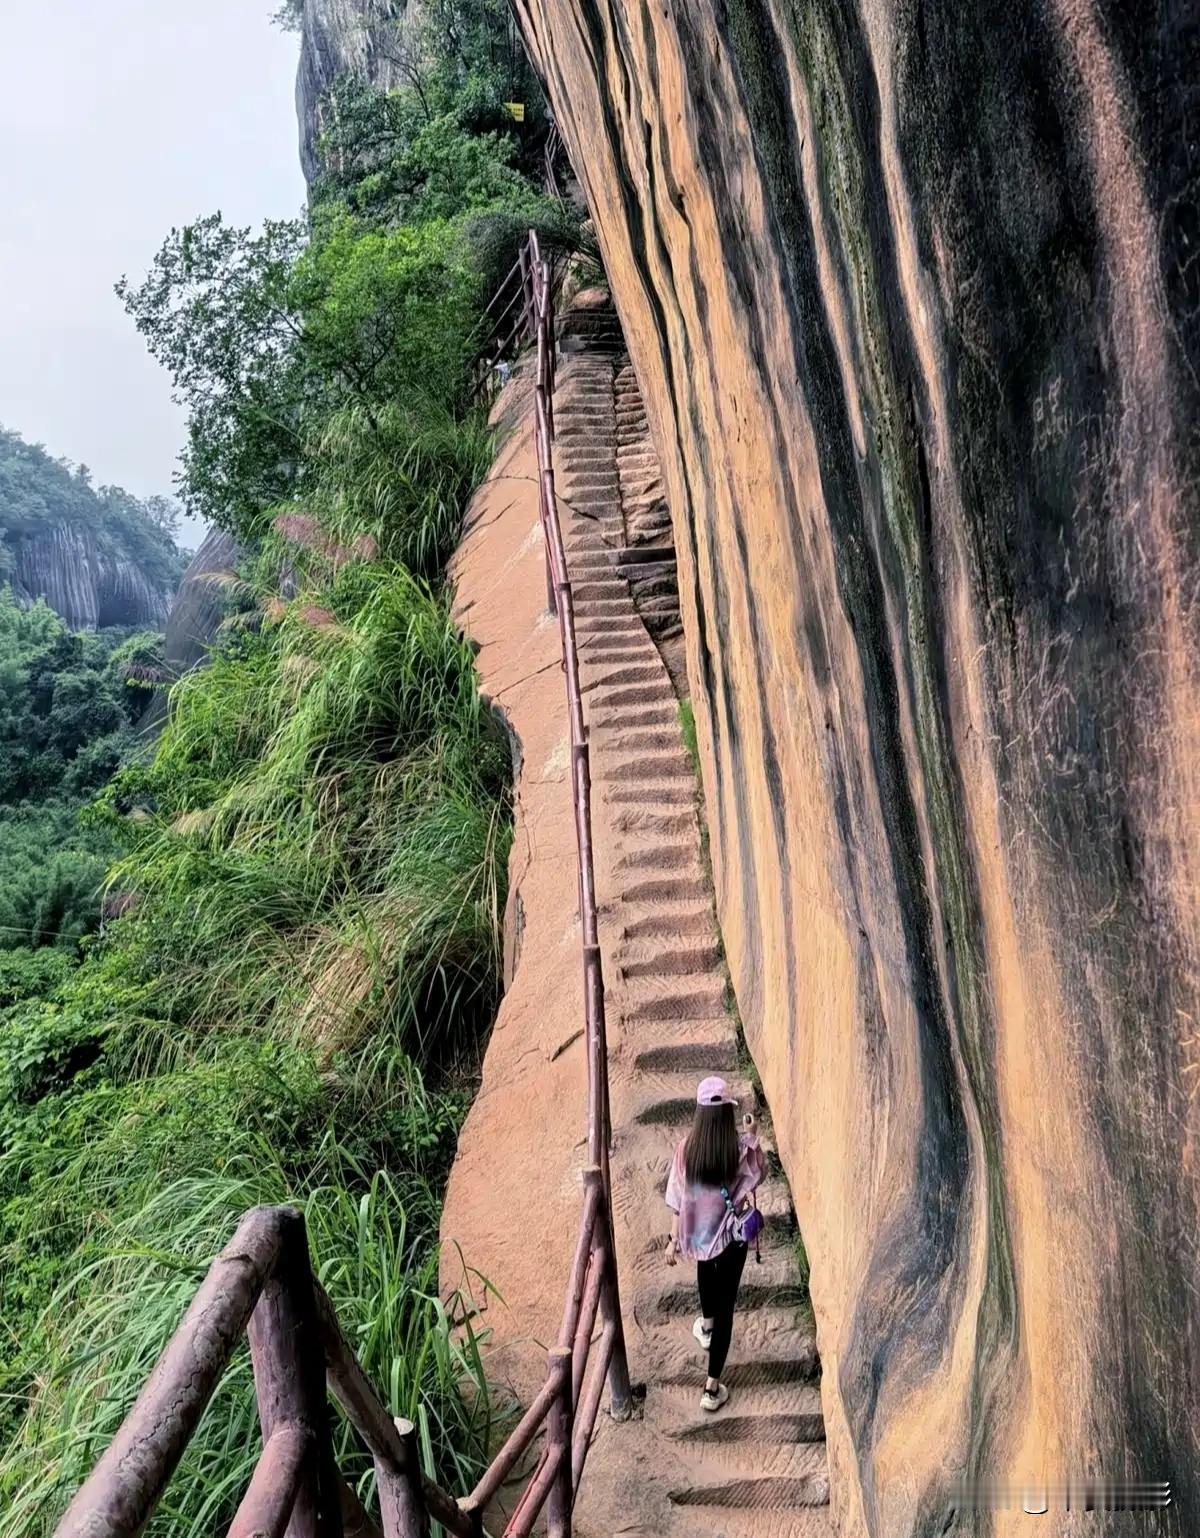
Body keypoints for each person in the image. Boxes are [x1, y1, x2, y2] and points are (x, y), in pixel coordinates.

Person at [664, 1074, 765, 1411]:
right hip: (732, 1240)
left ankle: (706, 1328)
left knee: (706, 1274)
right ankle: (712, 1389)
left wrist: (672, 1239)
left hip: (700, 1237)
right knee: (727, 1307)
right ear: (726, 1115)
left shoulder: (685, 1150)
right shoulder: (737, 1150)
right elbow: (758, 1175)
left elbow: (677, 1196)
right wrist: (752, 1137)